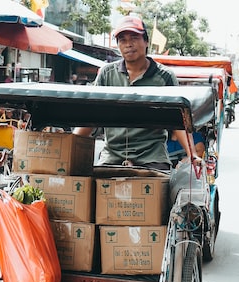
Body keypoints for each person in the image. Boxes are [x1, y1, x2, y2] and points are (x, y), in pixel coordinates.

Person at [72, 15, 200, 170]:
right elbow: (91, 117)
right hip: (113, 155)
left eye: (134, 38)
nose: (128, 44)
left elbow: (178, 122)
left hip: (152, 156)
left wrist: (192, 154)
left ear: (146, 41)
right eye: (123, 40)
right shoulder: (107, 73)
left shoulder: (164, 76)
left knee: (164, 190)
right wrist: (68, 144)